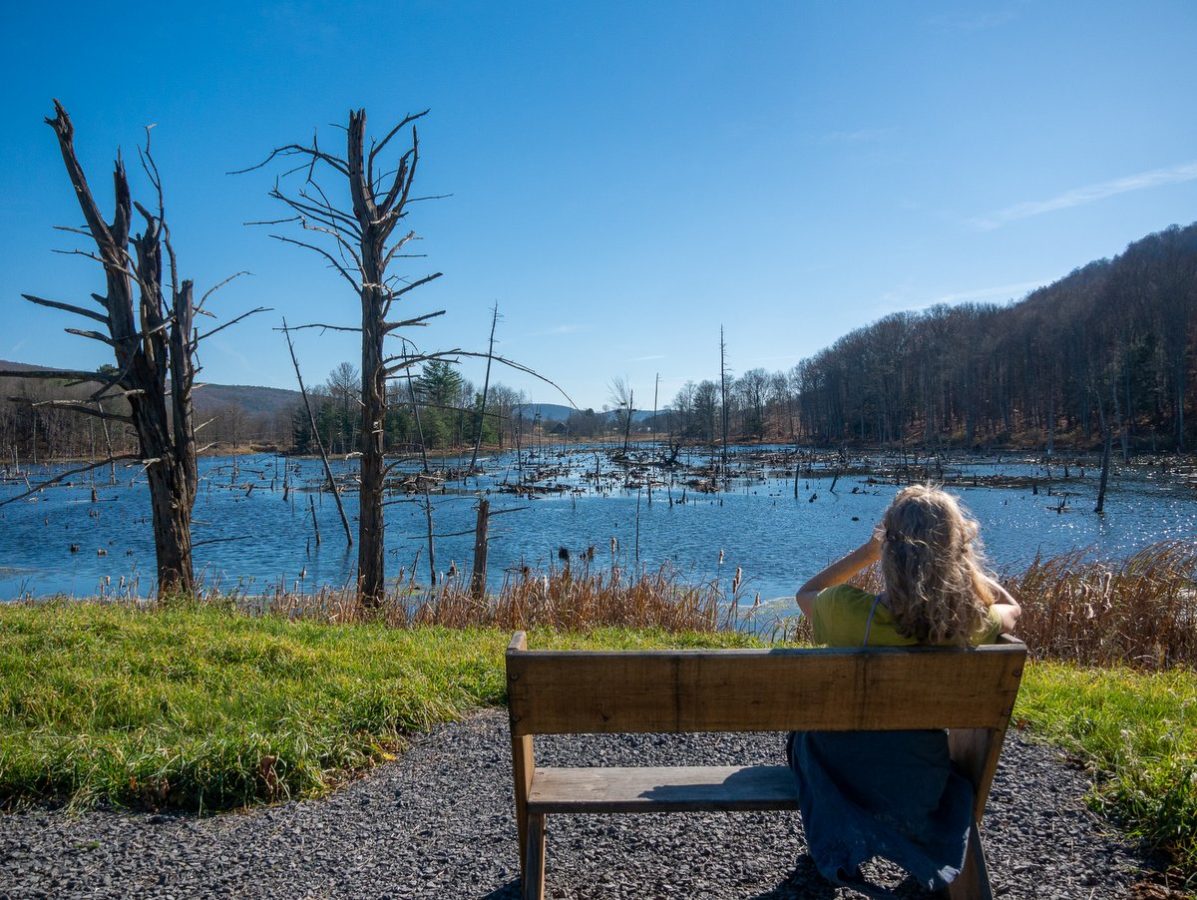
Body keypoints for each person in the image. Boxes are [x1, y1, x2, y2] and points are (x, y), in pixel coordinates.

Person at [789, 484, 1021, 896]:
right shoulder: (966, 625)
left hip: (840, 771)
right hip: (919, 778)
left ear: (889, 549)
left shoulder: (849, 612)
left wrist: (867, 551)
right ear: (956, 550)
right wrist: (957, 561)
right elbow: (1012, 608)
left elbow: (805, 593)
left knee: (800, 739)